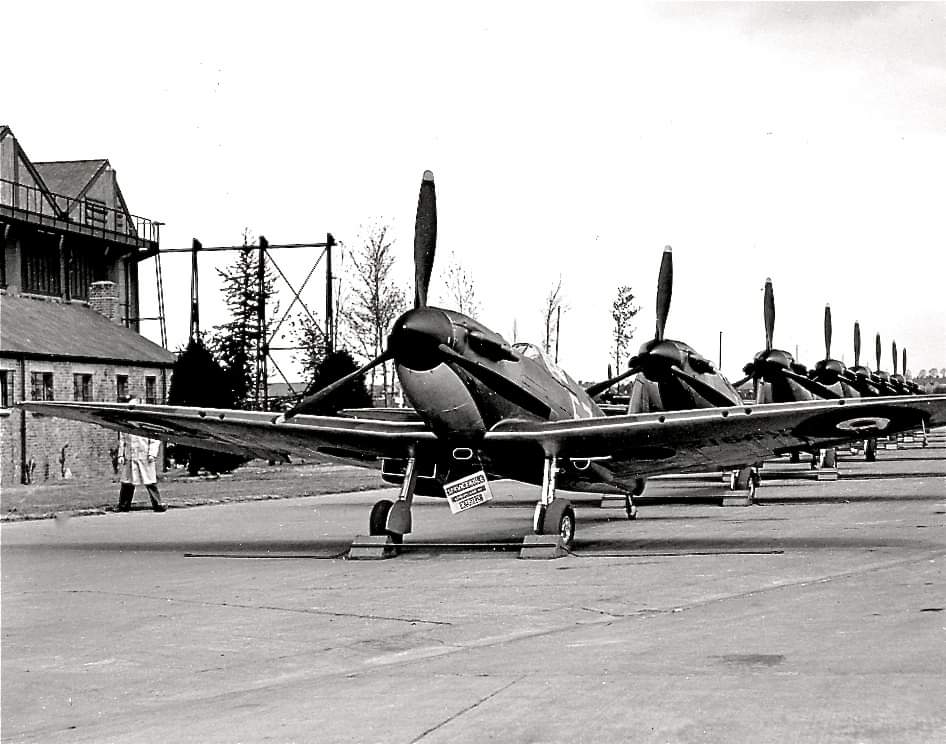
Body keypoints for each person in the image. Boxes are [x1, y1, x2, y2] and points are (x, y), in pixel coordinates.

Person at [116, 397, 166, 512]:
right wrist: (121, 455)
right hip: (130, 456)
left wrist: (152, 454)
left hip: (144, 456)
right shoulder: (125, 424)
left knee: (150, 482)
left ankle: (158, 504)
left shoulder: (146, 422)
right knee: (127, 482)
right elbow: (122, 441)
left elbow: (155, 439)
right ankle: (124, 505)